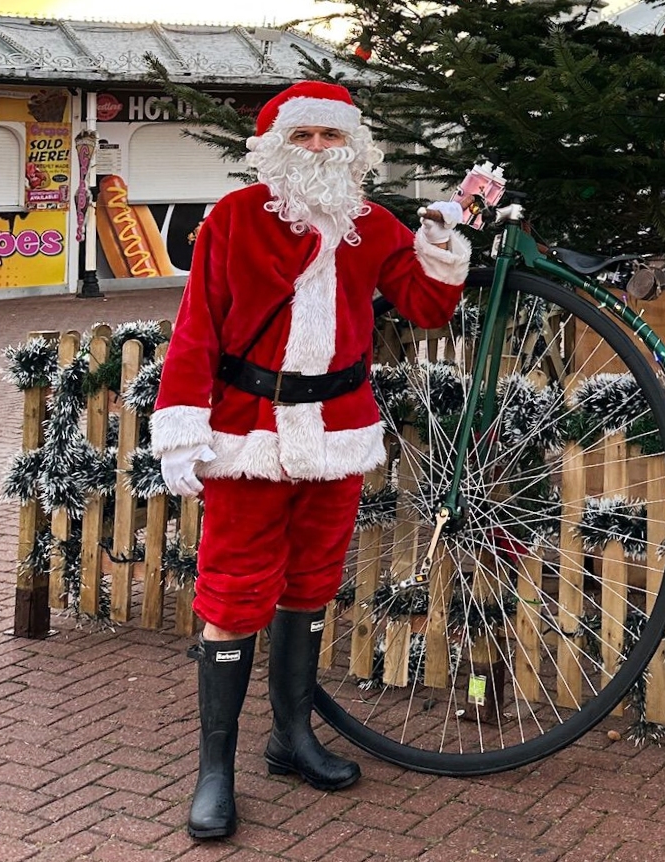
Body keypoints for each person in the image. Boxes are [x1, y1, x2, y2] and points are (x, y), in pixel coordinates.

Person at [149, 80, 470, 841]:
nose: (320, 149)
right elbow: (198, 328)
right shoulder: (234, 219)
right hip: (248, 432)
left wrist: (441, 247)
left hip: (338, 430)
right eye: (305, 137)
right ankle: (214, 770)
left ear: (353, 146)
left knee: (312, 584)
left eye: (332, 136)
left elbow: (424, 307)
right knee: (233, 593)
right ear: (276, 148)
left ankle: (291, 738)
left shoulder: (375, 224)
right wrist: (183, 426)